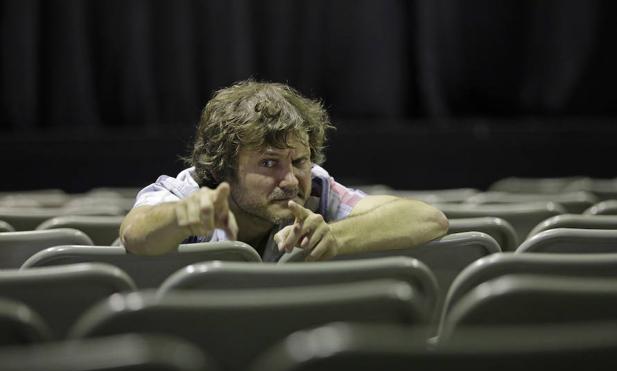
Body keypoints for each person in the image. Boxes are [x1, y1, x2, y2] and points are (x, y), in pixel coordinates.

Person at [120, 80, 448, 261]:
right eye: (268, 163)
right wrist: (180, 217)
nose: (291, 180)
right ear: (223, 170)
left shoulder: (317, 188)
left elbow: (430, 219)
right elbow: (135, 235)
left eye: (299, 161)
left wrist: (335, 237)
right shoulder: (188, 194)